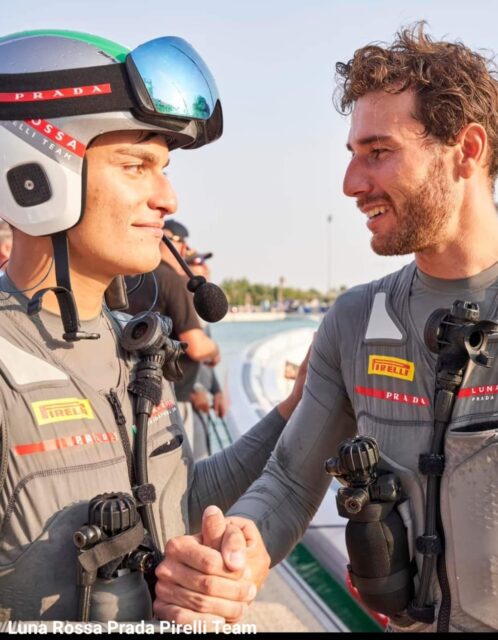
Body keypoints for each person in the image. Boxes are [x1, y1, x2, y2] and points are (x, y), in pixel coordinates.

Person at [155, 23, 498, 633]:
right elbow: (290, 481)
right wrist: (240, 553)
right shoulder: (354, 320)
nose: (351, 184)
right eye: (352, 154)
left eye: (379, 152)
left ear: (466, 150)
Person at [0, 29, 310, 624]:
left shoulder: (135, 346)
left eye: (163, 169)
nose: (168, 198)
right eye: (135, 166)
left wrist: (293, 408)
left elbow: (177, 500)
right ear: (34, 174)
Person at [126, 219, 221, 453]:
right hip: (170, 400)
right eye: (182, 244)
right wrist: (215, 351)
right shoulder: (173, 280)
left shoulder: (126, 276)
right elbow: (196, 347)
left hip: (131, 395)